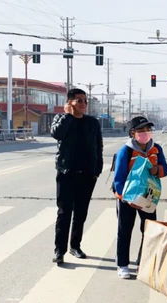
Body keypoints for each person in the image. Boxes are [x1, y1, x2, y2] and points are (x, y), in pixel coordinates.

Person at [50, 88, 103, 265]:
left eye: (85, 101)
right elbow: (57, 134)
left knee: (81, 213)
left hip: (87, 175)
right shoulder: (61, 119)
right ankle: (59, 250)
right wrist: (67, 116)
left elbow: (98, 147)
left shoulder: (93, 123)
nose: (83, 104)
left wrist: (97, 171)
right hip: (66, 173)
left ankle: (75, 246)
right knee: (64, 213)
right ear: (70, 102)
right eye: (79, 101)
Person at [113, 116, 167, 279]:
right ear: (133, 133)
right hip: (127, 199)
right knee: (124, 230)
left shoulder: (156, 148)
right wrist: (127, 199)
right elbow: (119, 178)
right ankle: (122, 265)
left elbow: (166, 169)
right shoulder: (126, 150)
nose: (146, 133)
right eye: (141, 130)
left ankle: (144, 261)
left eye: (148, 130)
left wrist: (157, 169)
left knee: (149, 230)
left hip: (148, 198)